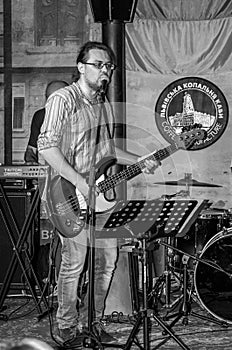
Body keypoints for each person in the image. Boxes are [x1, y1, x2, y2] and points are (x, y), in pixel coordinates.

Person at [37, 41, 159, 348]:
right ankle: (67, 328)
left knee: (108, 259)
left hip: (99, 195)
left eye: (109, 66)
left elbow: (108, 151)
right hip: (65, 193)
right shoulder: (63, 99)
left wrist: (142, 160)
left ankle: (92, 323)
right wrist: (80, 182)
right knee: (74, 262)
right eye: (99, 65)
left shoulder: (102, 105)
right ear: (81, 67)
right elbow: (46, 147)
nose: (106, 70)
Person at [24, 80, 69, 164]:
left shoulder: (80, 115)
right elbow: (32, 149)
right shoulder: (41, 116)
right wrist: (31, 163)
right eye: (49, 100)